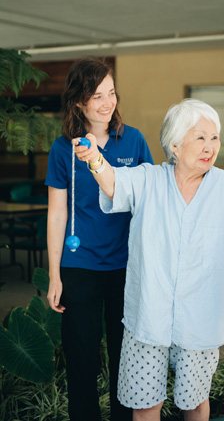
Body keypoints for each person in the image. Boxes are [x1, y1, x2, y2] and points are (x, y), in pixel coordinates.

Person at [74, 98, 224, 421]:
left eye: (214, 137)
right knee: (145, 406)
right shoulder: (148, 179)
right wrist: (94, 158)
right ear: (175, 144)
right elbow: (114, 183)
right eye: (200, 137)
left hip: (200, 323)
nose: (210, 146)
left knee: (194, 403)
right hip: (148, 320)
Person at [46, 58, 153, 421]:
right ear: (79, 102)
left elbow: (149, 201)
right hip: (80, 267)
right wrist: (55, 275)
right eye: (97, 96)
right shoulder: (64, 149)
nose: (108, 103)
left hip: (126, 266)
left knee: (126, 358)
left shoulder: (133, 140)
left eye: (111, 93)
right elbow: (57, 214)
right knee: (82, 359)